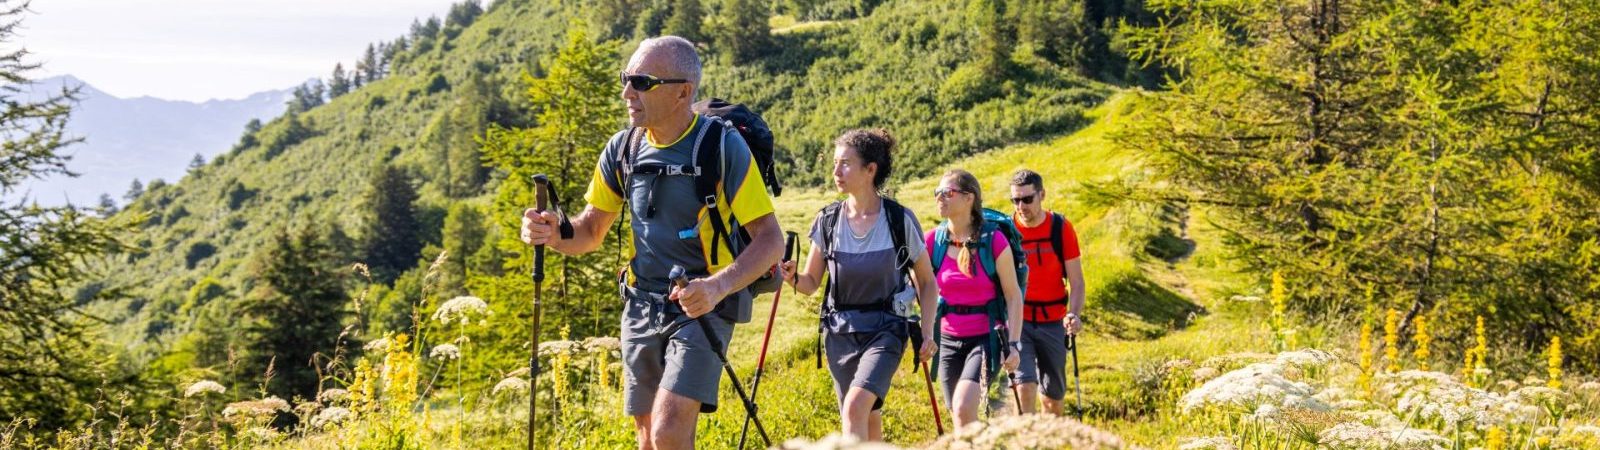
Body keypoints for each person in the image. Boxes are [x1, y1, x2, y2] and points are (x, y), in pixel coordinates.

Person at [521, 36, 783, 450]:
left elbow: (770, 240)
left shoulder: (720, 147)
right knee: (647, 439)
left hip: (702, 305)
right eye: (625, 79)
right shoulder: (623, 147)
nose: (627, 92)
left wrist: (716, 287)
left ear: (683, 92)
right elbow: (590, 230)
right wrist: (554, 233)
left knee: (668, 432)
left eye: (642, 82)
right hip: (640, 303)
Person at [781, 129, 937, 441]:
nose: (836, 171)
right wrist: (793, 277)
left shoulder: (898, 219)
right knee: (867, 416)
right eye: (834, 164)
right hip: (839, 334)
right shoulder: (828, 221)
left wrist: (928, 332)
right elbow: (810, 283)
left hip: (887, 329)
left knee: (854, 408)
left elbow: (927, 281)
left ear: (870, 169)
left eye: (845, 163)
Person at [926, 169, 1022, 429]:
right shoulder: (933, 241)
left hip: (985, 338)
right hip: (947, 340)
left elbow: (1013, 295)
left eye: (948, 192)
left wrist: (1014, 344)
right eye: (938, 192)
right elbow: (919, 287)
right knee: (959, 417)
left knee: (962, 407)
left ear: (969, 198)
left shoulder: (994, 241)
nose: (940, 197)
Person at [1008, 169, 1085, 416]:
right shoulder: (1007, 232)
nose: (1021, 206)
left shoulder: (1061, 228)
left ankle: (1050, 435)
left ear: (1041, 195)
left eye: (1027, 199)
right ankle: (1024, 437)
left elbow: (1077, 282)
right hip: (1019, 322)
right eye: (1015, 200)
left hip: (1054, 322)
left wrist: (1074, 314)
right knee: (1024, 387)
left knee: (1052, 401)